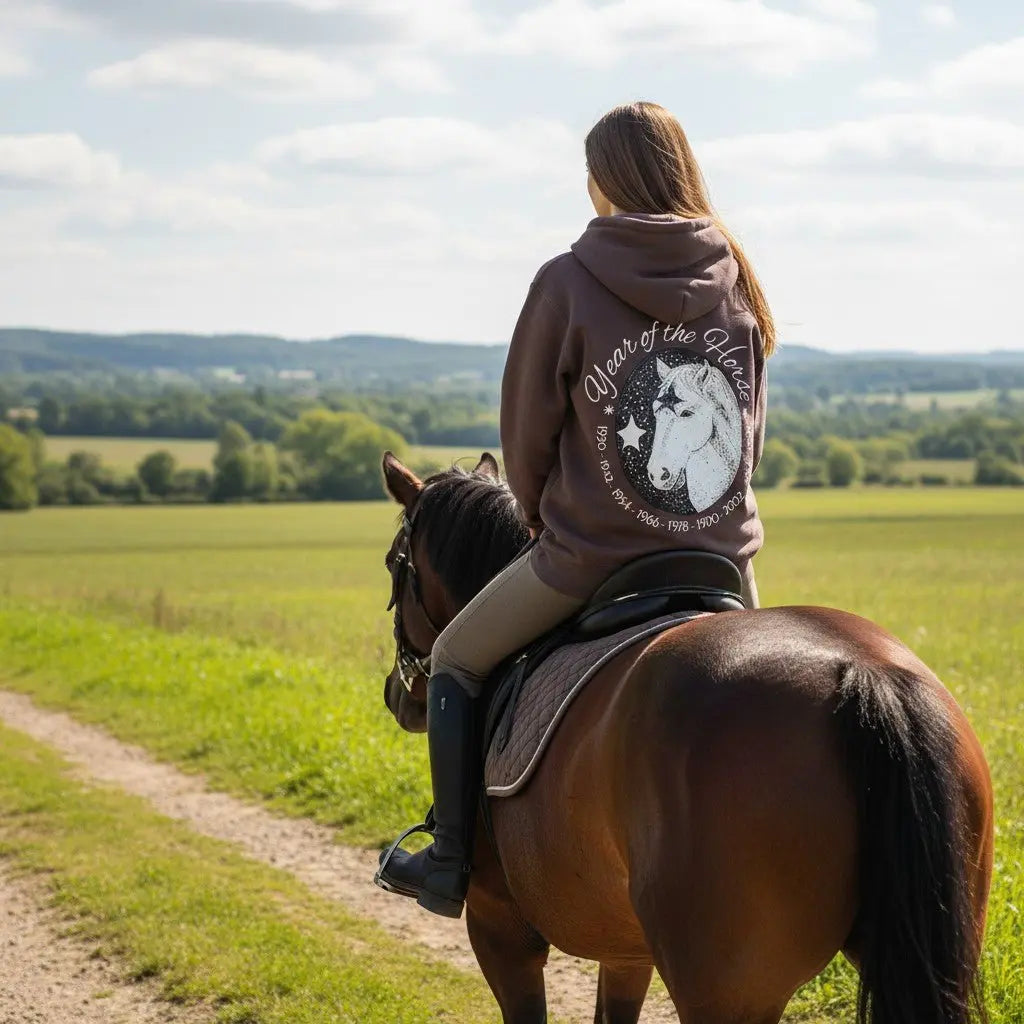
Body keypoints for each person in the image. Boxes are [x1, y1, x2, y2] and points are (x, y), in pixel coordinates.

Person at [376, 101, 773, 918]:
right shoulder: (739, 281)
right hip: (722, 562)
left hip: (592, 557)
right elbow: (746, 432)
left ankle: (450, 860)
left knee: (452, 658)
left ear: (603, 181)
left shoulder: (567, 279)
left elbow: (524, 437)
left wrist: (537, 518)